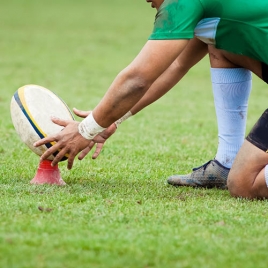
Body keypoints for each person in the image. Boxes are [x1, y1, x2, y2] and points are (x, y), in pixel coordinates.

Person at [34, 0, 268, 199]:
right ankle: (225, 162)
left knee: (243, 184)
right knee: (219, 45)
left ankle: (231, 170)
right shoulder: (207, 9)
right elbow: (173, 66)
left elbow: (137, 78)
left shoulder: (181, 2)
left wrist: (85, 130)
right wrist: (111, 121)